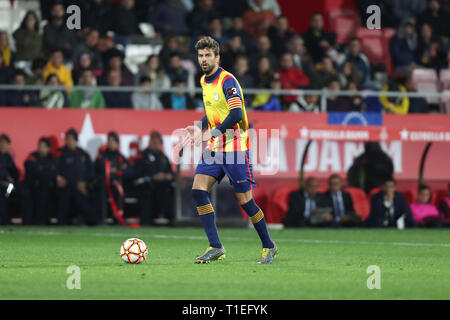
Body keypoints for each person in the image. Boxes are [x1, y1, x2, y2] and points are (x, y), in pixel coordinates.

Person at [176, 36, 277, 264]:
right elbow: (212, 110)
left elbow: (236, 114)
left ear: (217, 57)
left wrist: (212, 132)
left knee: (246, 202)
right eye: (200, 55)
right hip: (215, 148)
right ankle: (215, 246)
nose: (203, 59)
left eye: (208, 55)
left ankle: (269, 245)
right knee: (198, 190)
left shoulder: (227, 81)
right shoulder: (204, 81)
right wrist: (199, 126)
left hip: (235, 146)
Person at [56, 128, 96, 225]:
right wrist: (57, 177)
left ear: (76, 140)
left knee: (85, 202)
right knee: (64, 199)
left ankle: (90, 223)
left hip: (80, 188)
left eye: (72, 139)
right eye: (67, 139)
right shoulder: (59, 153)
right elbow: (53, 168)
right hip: (64, 187)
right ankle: (62, 223)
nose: (69, 142)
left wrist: (85, 183)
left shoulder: (84, 154)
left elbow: (91, 172)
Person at [134, 131, 174, 226]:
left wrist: (167, 176)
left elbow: (171, 173)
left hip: (161, 188)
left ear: (161, 144)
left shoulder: (163, 157)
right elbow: (137, 174)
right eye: (153, 142)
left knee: (170, 192)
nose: (155, 145)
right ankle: (146, 222)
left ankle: (171, 220)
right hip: (146, 187)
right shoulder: (142, 156)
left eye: (157, 143)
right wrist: (153, 177)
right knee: (146, 194)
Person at [94, 131, 132, 225]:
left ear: (117, 143)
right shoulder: (101, 155)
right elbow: (95, 168)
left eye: (112, 141)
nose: (110, 143)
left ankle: (118, 219)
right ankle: (101, 219)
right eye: (109, 141)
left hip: (116, 184)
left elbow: (130, 172)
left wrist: (118, 171)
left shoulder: (121, 157)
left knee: (119, 190)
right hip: (102, 185)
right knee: (101, 191)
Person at [23, 137, 57, 225]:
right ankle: (27, 223)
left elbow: (55, 172)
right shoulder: (32, 156)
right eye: (39, 146)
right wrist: (46, 173)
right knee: (26, 194)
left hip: (46, 187)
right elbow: (32, 171)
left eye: (43, 146)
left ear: (48, 148)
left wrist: (44, 173)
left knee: (45, 194)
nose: (41, 149)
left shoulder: (53, 158)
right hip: (31, 186)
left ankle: (42, 222)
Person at [0, 134, 19, 225]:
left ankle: (5, 220)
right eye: (1, 143)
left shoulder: (9, 158)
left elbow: (15, 173)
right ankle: (4, 220)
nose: (3, 145)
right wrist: (5, 177)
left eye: (5, 143)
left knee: (8, 193)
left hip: (7, 185)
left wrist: (12, 179)